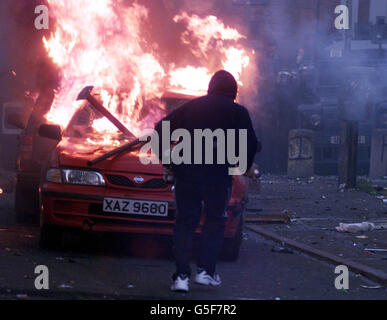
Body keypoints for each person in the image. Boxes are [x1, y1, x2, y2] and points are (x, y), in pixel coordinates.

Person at [155, 70, 258, 292]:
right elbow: (251, 145)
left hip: (187, 173)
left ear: (210, 88)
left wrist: (169, 161)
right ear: (234, 91)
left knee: (185, 222)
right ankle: (205, 272)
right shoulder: (238, 112)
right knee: (215, 220)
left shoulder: (192, 107)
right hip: (217, 176)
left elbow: (159, 130)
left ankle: (181, 277)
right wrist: (240, 165)